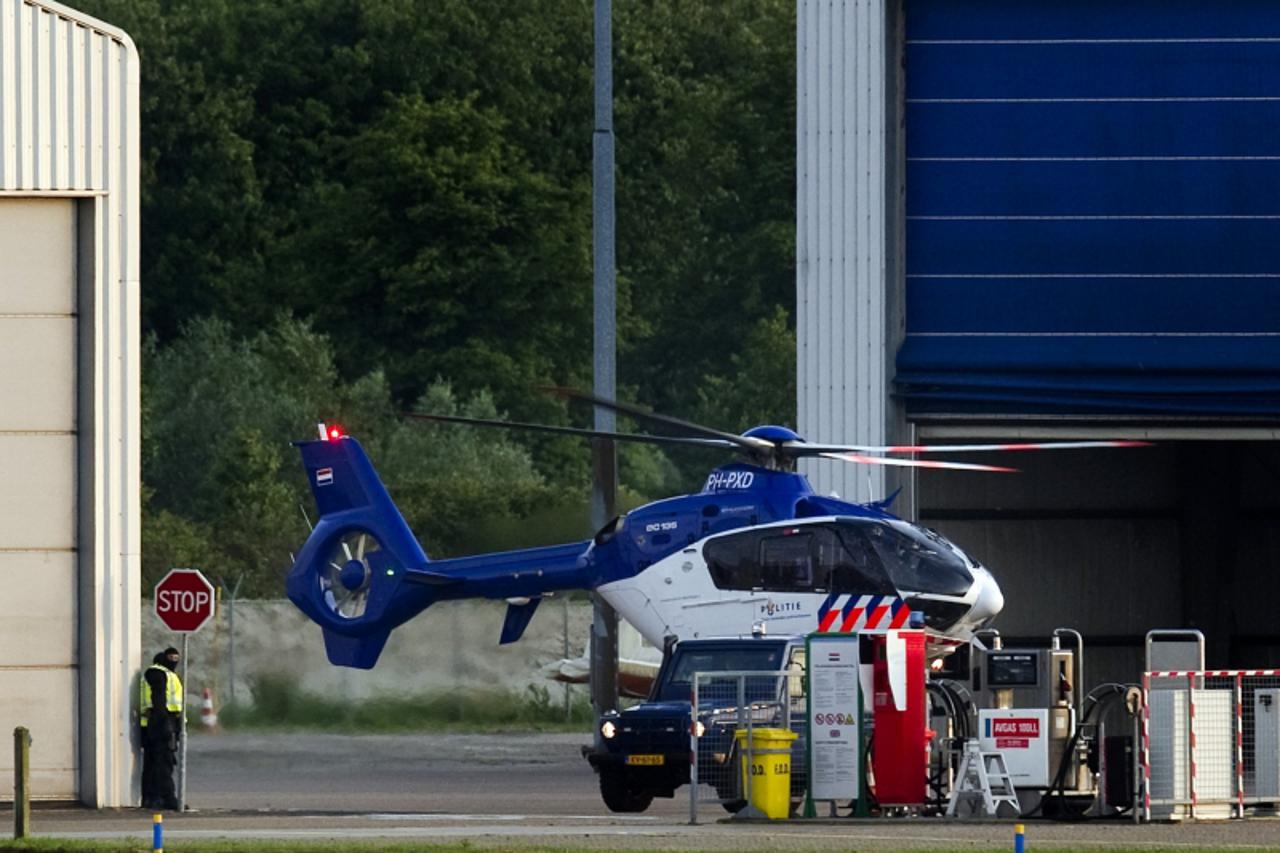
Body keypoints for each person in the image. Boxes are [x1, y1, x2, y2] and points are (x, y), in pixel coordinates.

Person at [140, 647, 183, 810]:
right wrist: (165, 724)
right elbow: (159, 700)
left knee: (152, 764)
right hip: (161, 724)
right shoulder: (159, 674)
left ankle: (151, 798)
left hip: (156, 723)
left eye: (176, 658)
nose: (175, 661)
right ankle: (167, 798)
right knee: (164, 764)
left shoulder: (161, 674)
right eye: (171, 657)